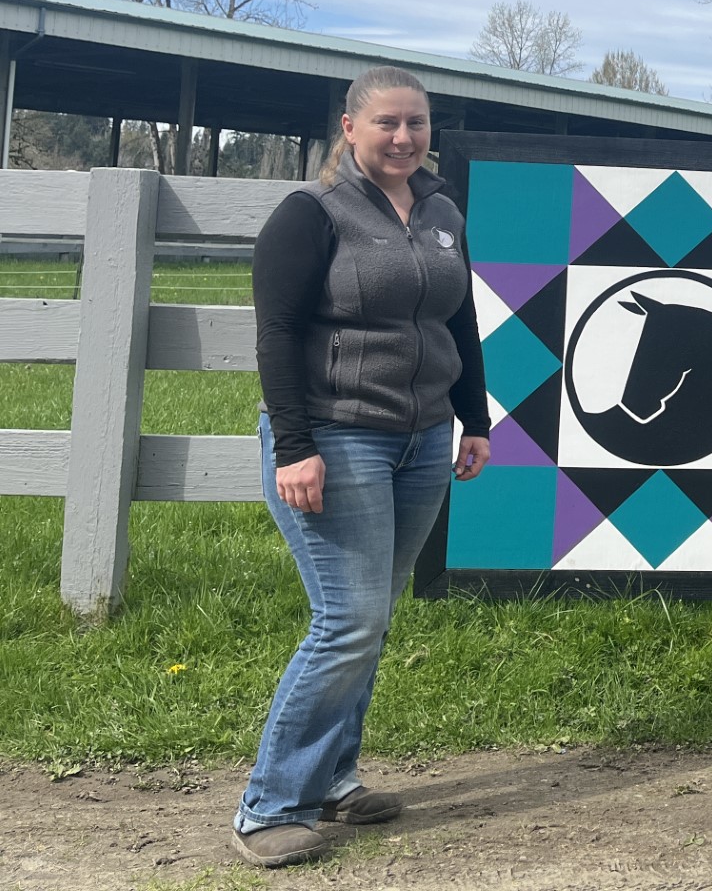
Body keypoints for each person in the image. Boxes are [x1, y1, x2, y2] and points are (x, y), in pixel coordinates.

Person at [232, 67, 492, 869]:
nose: (404, 138)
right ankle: (270, 806)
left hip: (421, 441)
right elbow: (275, 334)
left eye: (416, 123)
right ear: (349, 127)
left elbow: (461, 317)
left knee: (371, 617)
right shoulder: (310, 214)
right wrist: (297, 446)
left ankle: (335, 779)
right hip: (336, 438)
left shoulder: (444, 210)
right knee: (347, 620)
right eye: (386, 123)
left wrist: (474, 420)